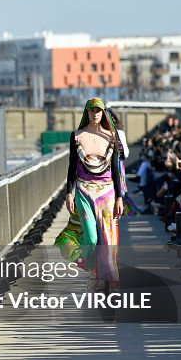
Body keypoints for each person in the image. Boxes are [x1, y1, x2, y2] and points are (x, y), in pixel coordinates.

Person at [54, 98, 123, 288]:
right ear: (87, 112)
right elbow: (72, 167)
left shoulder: (111, 136)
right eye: (92, 111)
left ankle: (106, 278)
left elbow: (116, 170)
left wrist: (119, 197)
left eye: (98, 111)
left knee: (107, 239)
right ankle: (93, 273)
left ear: (103, 113)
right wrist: (69, 193)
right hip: (84, 190)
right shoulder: (76, 136)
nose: (95, 114)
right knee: (91, 237)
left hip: (107, 192)